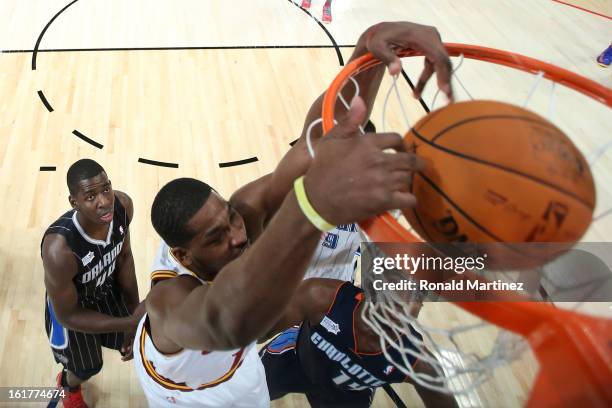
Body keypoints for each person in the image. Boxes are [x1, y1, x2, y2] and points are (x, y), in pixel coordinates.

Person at [133, 21, 453, 407]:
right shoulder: (171, 299)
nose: (238, 235)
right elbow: (227, 321)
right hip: (191, 398)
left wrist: (368, 50)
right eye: (216, 238)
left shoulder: (246, 214)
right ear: (183, 256)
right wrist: (313, 205)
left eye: (231, 218)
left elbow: (315, 143)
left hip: (242, 374)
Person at [260, 278, 458, 407]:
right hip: (293, 360)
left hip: (345, 397)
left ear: (420, 308)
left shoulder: (416, 361)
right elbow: (253, 333)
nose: (403, 300)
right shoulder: (320, 297)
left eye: (416, 295)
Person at [42, 159, 144, 408]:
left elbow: (125, 258)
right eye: (91, 196)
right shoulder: (59, 250)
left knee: (137, 339)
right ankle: (68, 385)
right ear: (74, 202)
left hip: (105, 288)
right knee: (87, 367)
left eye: (106, 189)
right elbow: (67, 315)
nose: (104, 201)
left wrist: (134, 313)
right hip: (72, 308)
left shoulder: (123, 206)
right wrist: (128, 321)